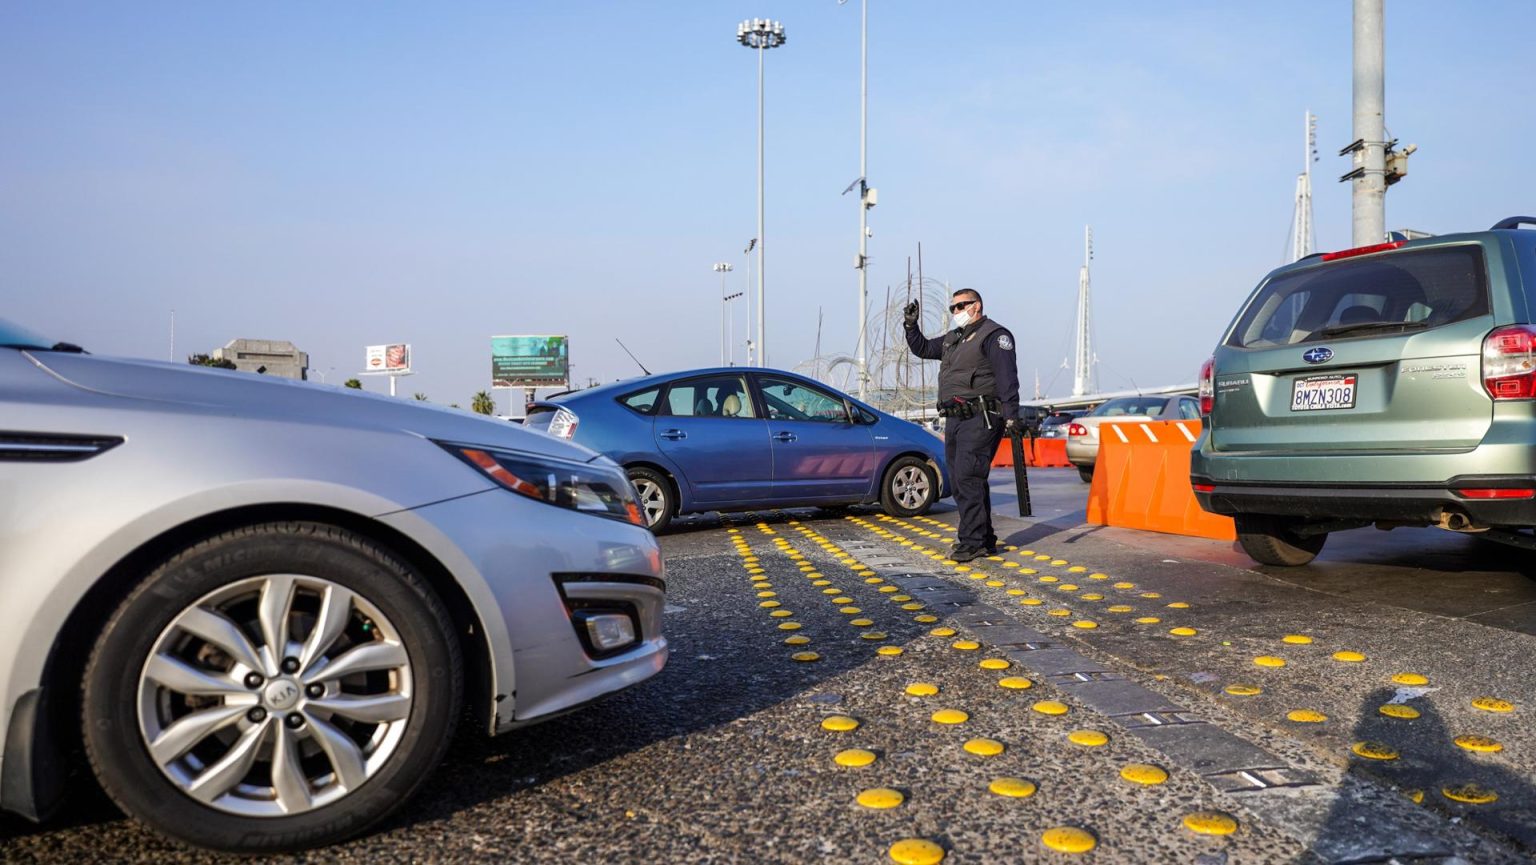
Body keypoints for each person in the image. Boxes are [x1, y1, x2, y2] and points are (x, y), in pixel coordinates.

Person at [904, 288, 1021, 562]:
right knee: (961, 479)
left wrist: (1012, 413)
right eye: (952, 308)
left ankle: (972, 541)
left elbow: (1007, 377)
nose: (955, 312)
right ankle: (985, 538)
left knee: (968, 476)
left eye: (960, 306)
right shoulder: (954, 338)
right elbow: (922, 348)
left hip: (982, 416)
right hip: (955, 418)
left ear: (975, 306)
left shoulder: (994, 336)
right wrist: (911, 326)